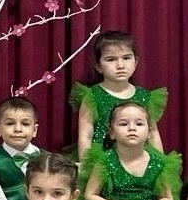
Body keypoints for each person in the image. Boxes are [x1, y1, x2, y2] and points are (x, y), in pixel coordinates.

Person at [71, 29, 167, 160]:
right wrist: (86, 165)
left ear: (135, 62)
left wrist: (162, 164)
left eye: (126, 58)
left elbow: (153, 134)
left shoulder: (145, 97)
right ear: (99, 66)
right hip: (103, 162)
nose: (120, 65)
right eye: (111, 59)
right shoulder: (92, 96)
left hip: (138, 161)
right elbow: (85, 136)